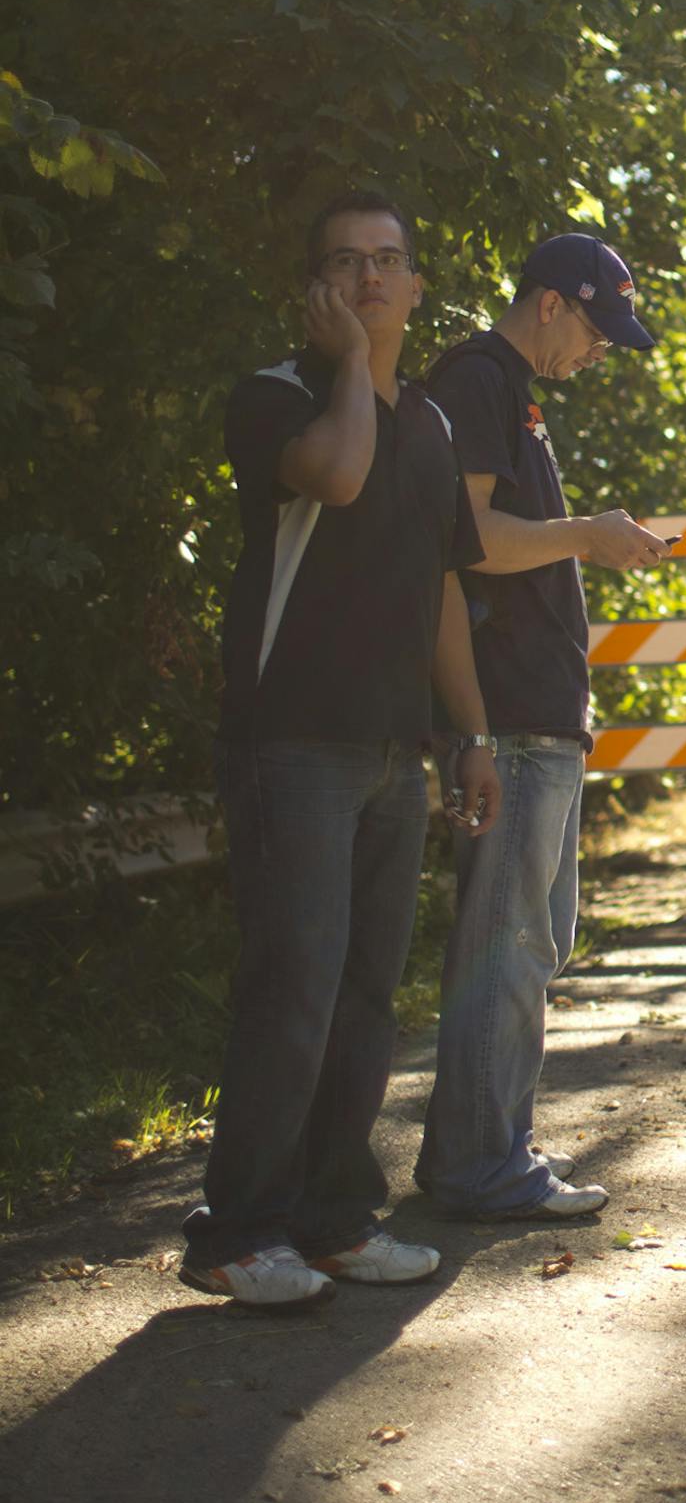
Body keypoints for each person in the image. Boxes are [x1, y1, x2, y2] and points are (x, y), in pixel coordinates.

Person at [182, 189, 501, 1308]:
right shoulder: (273, 399)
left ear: (417, 285)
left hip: (392, 750)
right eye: (345, 264)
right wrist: (356, 367)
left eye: (389, 262)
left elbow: (442, 594)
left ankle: (330, 1221)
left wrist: (470, 731)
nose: (370, 279)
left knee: (368, 995)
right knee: (295, 990)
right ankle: (237, 1234)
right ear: (314, 291)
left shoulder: (436, 424)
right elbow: (340, 475)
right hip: (292, 746)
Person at [415, 234, 667, 1221]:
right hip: (510, 718)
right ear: (553, 302)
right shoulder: (479, 379)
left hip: (537, 717)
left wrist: (586, 540)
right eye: (597, 330)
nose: (601, 352)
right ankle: (480, 1163)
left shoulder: (511, 392)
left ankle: (485, 1147)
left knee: (530, 940)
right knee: (509, 942)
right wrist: (585, 535)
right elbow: (467, 539)